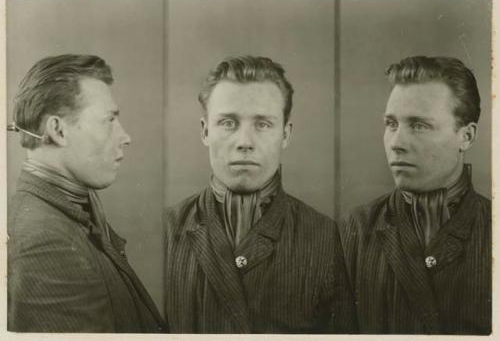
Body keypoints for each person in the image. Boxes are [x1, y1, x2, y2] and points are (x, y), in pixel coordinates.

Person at [163, 55, 356, 333]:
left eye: (263, 124)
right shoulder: (167, 230)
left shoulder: (325, 237)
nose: (244, 142)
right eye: (228, 123)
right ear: (205, 131)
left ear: (286, 134)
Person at [7, 54, 167, 332]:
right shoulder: (46, 243)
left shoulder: (71, 204)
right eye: (109, 120)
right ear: (58, 130)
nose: (125, 136)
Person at [339, 56, 491, 335]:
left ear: (466, 136)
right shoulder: (357, 229)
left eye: (419, 125)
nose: (396, 143)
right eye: (391, 124)